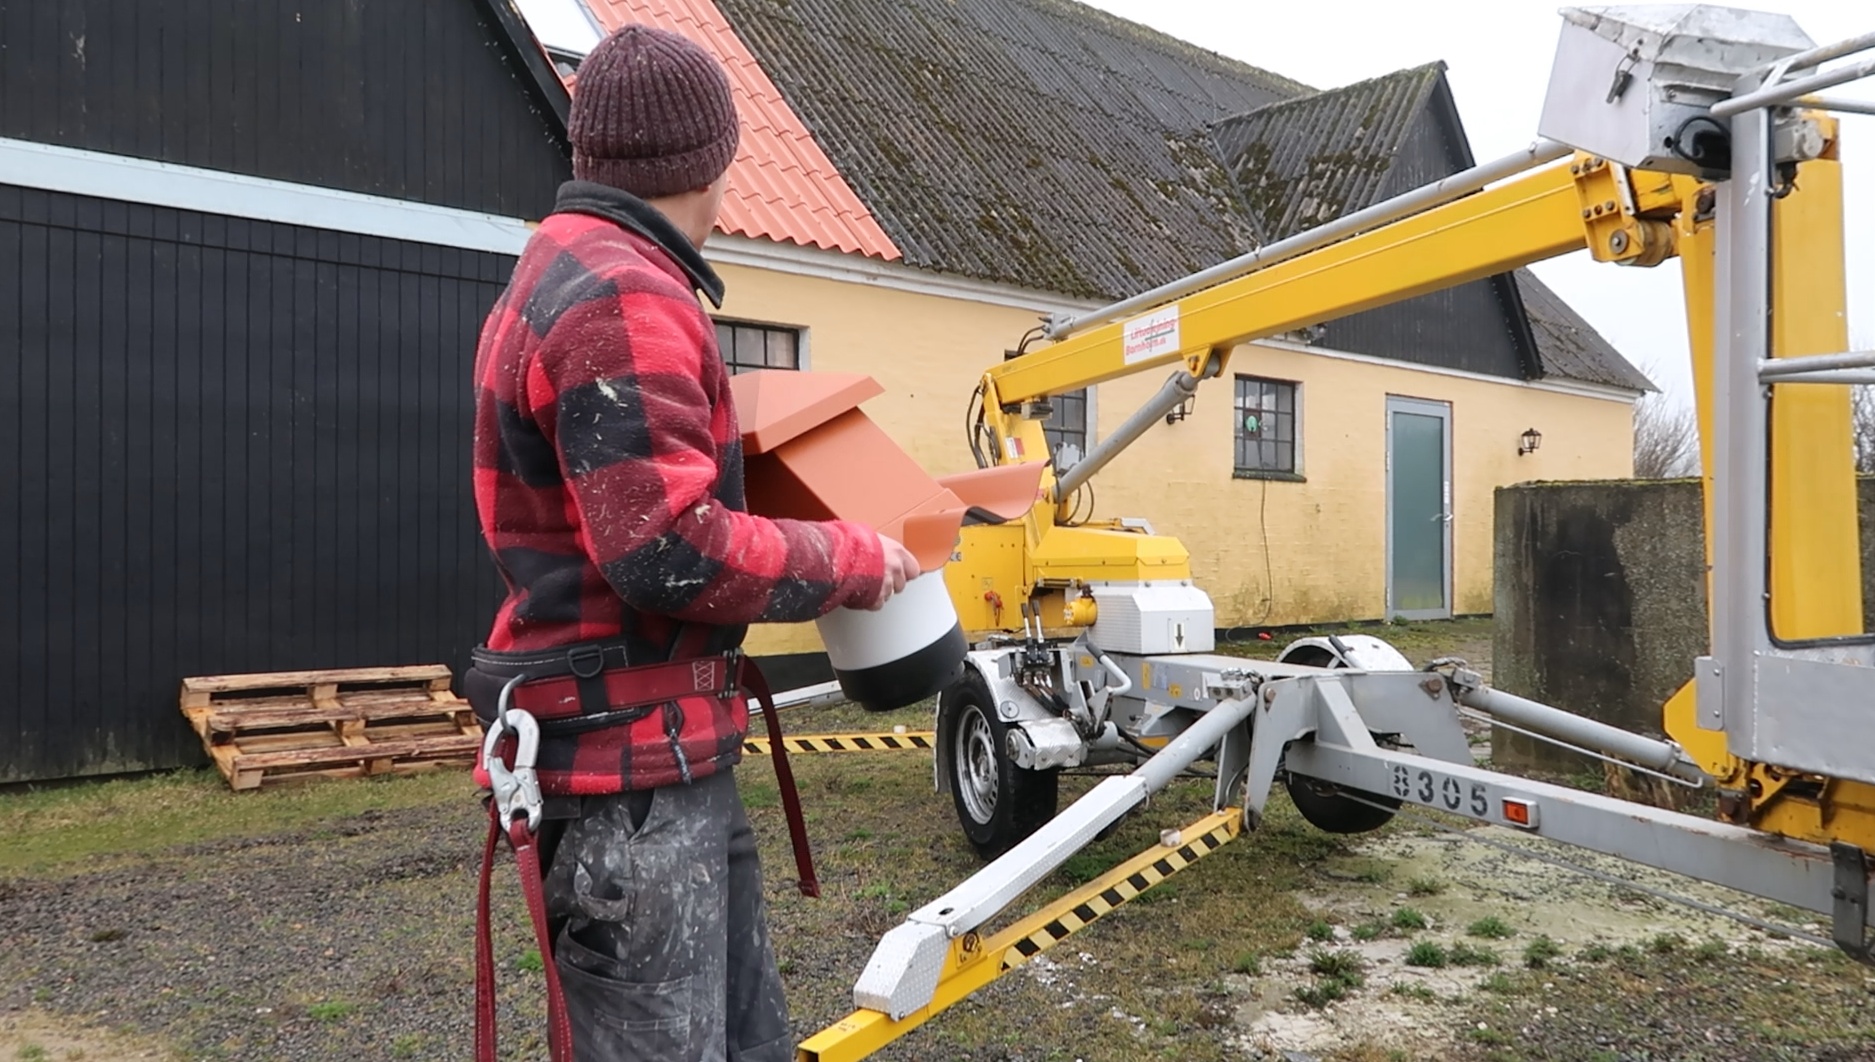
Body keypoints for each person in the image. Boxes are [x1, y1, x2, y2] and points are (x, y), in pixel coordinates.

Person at [465, 23, 920, 1062]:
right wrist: (850, 559)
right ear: (709, 163)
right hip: (631, 787)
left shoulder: (570, 268)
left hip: (655, 754)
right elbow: (667, 549)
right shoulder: (624, 292)